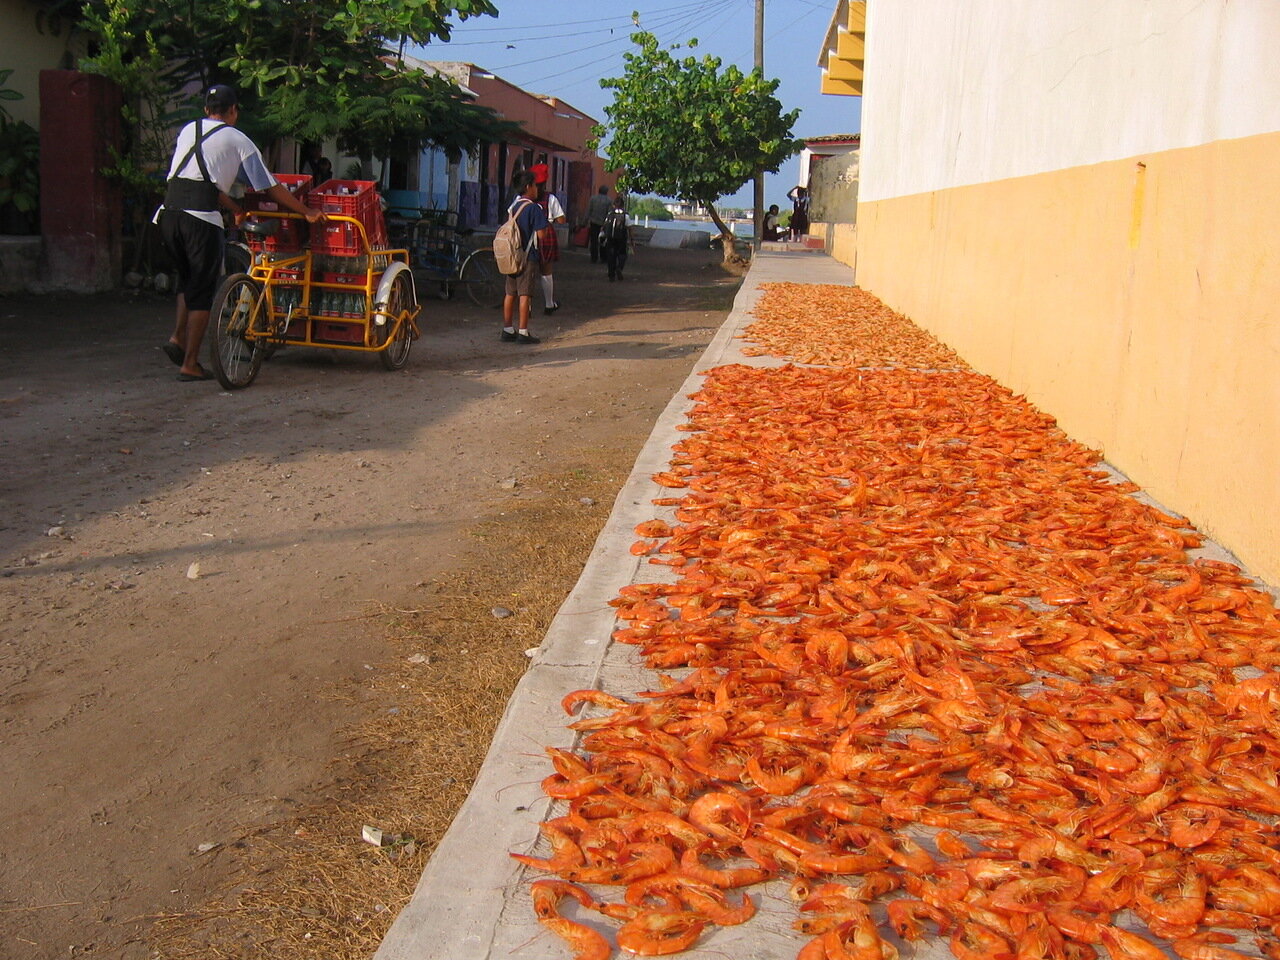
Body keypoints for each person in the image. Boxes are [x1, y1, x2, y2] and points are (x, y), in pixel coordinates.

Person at [156, 84, 323, 381]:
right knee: (203, 292)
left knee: (187, 280)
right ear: (233, 111)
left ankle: (177, 338)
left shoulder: (188, 129)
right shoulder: (238, 139)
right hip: (200, 220)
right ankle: (190, 364)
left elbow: (200, 179)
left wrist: (234, 208)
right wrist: (305, 211)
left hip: (168, 215)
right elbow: (268, 186)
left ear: (207, 110)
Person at [501, 170, 550, 345]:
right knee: (525, 294)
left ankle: (507, 329)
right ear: (528, 187)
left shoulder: (513, 207)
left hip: (512, 255)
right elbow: (542, 234)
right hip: (528, 257)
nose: (537, 189)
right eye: (535, 185)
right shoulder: (533, 208)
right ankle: (523, 332)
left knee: (510, 293)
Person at [530, 162, 565, 314]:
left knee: (528, 272)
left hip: (528, 234)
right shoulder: (550, 198)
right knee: (546, 271)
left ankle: (527, 307)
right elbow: (561, 220)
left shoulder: (522, 198)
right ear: (545, 183)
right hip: (545, 234)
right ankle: (549, 304)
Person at [601, 196, 630, 282]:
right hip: (622, 238)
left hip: (610, 238)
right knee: (622, 254)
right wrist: (632, 239)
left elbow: (604, 225)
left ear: (614, 205)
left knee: (611, 256)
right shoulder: (626, 215)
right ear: (623, 206)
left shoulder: (610, 214)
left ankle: (611, 275)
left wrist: (603, 235)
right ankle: (619, 267)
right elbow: (630, 228)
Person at [586, 185, 611, 264]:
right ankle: (603, 258)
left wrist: (584, 221)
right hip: (604, 224)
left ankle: (594, 257)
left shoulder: (593, 199)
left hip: (594, 222)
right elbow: (609, 213)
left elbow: (588, 211)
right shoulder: (609, 200)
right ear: (606, 192)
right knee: (603, 241)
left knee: (594, 241)